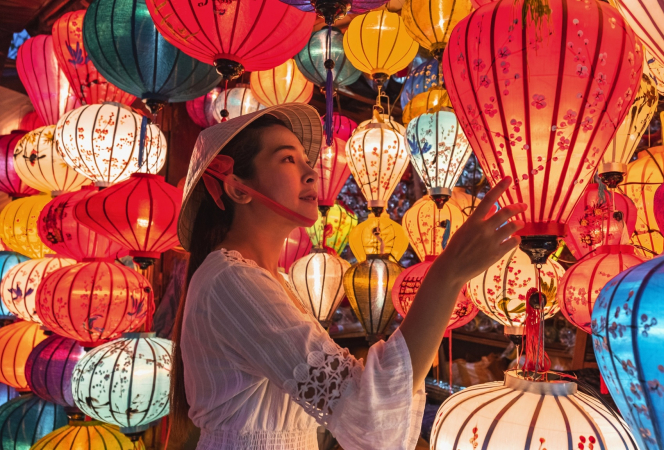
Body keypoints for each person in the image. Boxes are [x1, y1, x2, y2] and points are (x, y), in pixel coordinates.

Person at [171, 104, 527, 450]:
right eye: (288, 159)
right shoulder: (233, 281)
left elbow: (356, 406)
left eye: (307, 161)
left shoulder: (269, 279)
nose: (311, 174)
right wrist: (448, 273)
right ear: (237, 188)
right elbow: (367, 413)